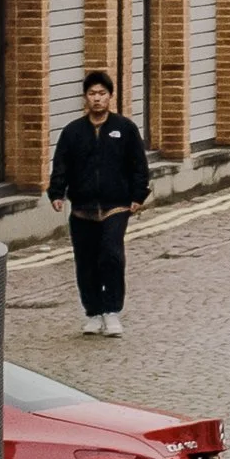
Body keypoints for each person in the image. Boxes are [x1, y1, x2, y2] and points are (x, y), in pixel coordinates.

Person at [49, 71, 150, 336]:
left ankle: (112, 311)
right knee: (86, 261)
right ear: (85, 97)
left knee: (111, 254)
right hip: (82, 208)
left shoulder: (125, 129)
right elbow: (61, 165)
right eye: (92, 94)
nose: (97, 99)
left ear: (110, 96)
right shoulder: (73, 132)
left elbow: (139, 164)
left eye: (101, 94)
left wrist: (138, 195)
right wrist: (56, 193)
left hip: (115, 205)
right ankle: (93, 312)